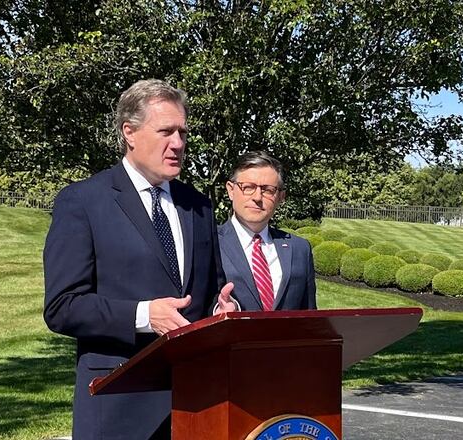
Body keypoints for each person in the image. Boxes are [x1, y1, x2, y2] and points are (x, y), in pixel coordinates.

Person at [43, 79, 235, 440]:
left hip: (198, 403)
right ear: (129, 132)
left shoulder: (198, 206)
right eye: (166, 131)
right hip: (120, 403)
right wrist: (146, 315)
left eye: (182, 132)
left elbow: (209, 292)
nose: (178, 143)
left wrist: (222, 310)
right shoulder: (83, 202)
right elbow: (62, 307)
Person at [218, 151, 316, 311]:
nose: (257, 197)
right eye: (248, 187)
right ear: (230, 190)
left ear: (281, 197)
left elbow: (310, 316)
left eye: (267, 190)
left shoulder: (300, 249)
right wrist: (218, 310)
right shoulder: (209, 243)